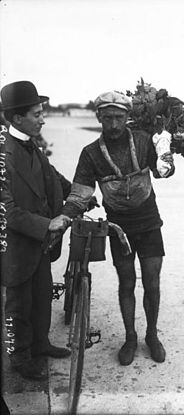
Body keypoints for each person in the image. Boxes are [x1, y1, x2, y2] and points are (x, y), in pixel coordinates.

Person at [62, 91, 175, 366]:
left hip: (149, 222)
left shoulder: (143, 141)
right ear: (99, 117)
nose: (113, 124)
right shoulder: (90, 154)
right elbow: (79, 194)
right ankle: (130, 337)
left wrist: (166, 156)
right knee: (126, 282)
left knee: (152, 281)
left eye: (119, 117)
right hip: (118, 227)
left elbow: (162, 172)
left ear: (128, 117)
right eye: (108, 118)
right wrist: (64, 217)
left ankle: (151, 335)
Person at [0, 81, 72, 380]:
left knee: (42, 296)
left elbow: (51, 176)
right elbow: (7, 210)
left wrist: (79, 192)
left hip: (39, 243)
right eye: (37, 113)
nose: (43, 118)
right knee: (18, 306)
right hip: (16, 247)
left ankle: (41, 345)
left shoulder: (33, 144)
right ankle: (19, 360)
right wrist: (48, 224)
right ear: (17, 118)